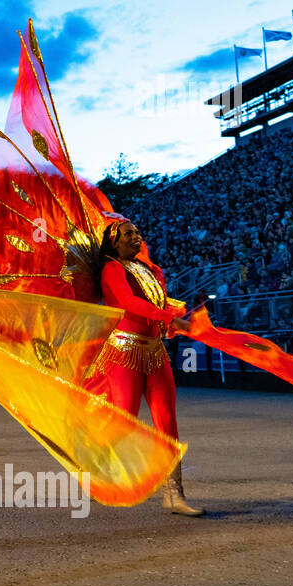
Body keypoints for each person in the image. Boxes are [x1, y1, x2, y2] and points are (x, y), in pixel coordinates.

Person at [90, 219, 202, 516]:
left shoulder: (153, 271)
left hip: (155, 352)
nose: (136, 237)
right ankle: (101, 466)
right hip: (124, 352)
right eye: (128, 234)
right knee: (124, 419)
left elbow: (159, 303)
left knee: (167, 420)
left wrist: (171, 322)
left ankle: (173, 494)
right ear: (114, 241)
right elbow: (128, 303)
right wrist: (168, 317)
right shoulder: (111, 269)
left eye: (138, 233)